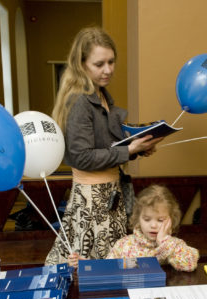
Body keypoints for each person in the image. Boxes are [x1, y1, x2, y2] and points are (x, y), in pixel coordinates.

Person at [45, 27, 162, 267]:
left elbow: (108, 147)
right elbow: (81, 157)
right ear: (82, 64)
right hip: (91, 201)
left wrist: (138, 147)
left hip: (110, 194)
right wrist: (128, 151)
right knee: (92, 271)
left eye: (111, 62)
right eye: (99, 64)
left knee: (110, 268)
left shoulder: (102, 96)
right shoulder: (79, 100)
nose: (108, 70)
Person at [106, 185, 199, 271]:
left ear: (171, 219)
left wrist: (164, 242)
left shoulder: (175, 244)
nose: (153, 225)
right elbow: (108, 269)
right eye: (147, 219)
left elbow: (189, 265)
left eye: (160, 220)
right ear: (138, 218)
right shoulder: (123, 245)